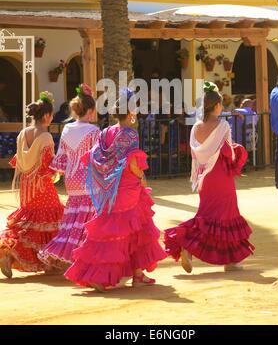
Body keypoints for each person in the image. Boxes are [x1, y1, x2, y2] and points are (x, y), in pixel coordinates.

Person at [65, 89, 167, 292]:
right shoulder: (130, 133)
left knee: (111, 230)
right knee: (137, 228)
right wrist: (141, 179)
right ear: (130, 112)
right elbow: (133, 162)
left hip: (108, 189)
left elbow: (96, 157)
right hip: (128, 187)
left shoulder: (106, 132)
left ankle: (118, 274)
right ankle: (125, 276)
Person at [164, 82, 254, 273]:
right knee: (227, 214)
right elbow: (229, 153)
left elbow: (195, 154)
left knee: (206, 216)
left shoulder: (196, 127)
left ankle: (190, 247)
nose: (222, 107)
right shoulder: (222, 125)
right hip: (221, 175)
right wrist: (238, 150)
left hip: (204, 177)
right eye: (220, 104)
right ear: (215, 106)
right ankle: (231, 260)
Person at [0, 92, 64, 278]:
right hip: (42, 186)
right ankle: (50, 261)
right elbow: (48, 166)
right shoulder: (46, 137)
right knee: (50, 220)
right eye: (51, 115)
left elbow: (17, 161)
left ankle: (8, 252)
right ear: (46, 116)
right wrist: (58, 172)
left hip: (26, 185)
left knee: (27, 223)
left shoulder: (22, 133)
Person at [39, 84, 100, 270]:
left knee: (72, 221)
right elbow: (97, 158)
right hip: (88, 179)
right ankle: (83, 257)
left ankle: (62, 253)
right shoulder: (94, 131)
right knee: (87, 221)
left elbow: (62, 157)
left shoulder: (66, 129)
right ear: (89, 110)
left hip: (71, 179)